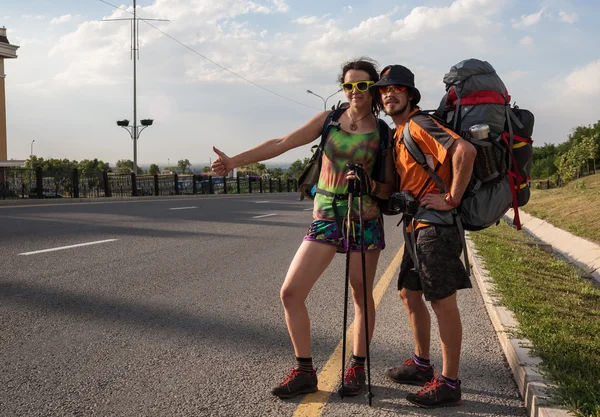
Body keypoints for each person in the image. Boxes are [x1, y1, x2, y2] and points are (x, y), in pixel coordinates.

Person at [211, 58, 394, 399]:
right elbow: (282, 143)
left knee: (360, 296)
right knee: (291, 292)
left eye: (363, 86)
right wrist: (235, 161)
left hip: (364, 219)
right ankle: (305, 371)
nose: (355, 92)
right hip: (325, 217)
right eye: (349, 86)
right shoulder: (328, 121)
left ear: (374, 90)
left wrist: (368, 183)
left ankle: (356, 366)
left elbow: (389, 189)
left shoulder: (384, 133)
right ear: (343, 88)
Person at [372, 64, 476, 408]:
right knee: (407, 293)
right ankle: (421, 364)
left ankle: (449, 383)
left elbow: (465, 151)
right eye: (384, 90)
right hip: (416, 226)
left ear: (410, 94)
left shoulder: (419, 124)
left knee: (442, 302)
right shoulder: (400, 132)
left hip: (435, 229)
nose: (389, 94)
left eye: (397, 88)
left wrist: (451, 198)